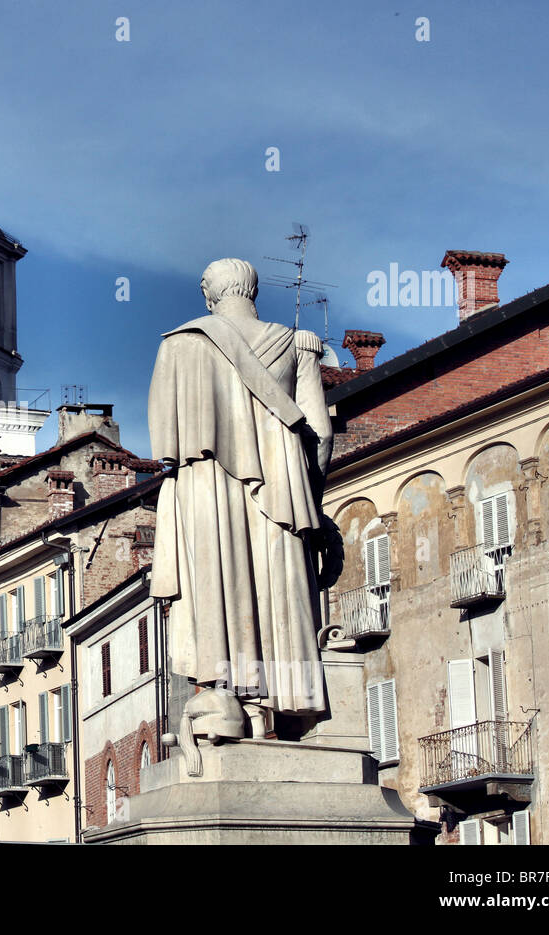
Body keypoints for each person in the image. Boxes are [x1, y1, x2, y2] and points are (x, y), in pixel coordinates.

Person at [148, 258, 333, 722]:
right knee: (280, 586)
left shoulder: (180, 344)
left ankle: (226, 697)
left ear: (210, 295)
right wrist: (310, 492)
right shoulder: (297, 345)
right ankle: (287, 700)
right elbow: (322, 432)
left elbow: (166, 449)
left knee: (217, 582)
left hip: (205, 484)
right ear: (253, 293)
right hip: (282, 486)